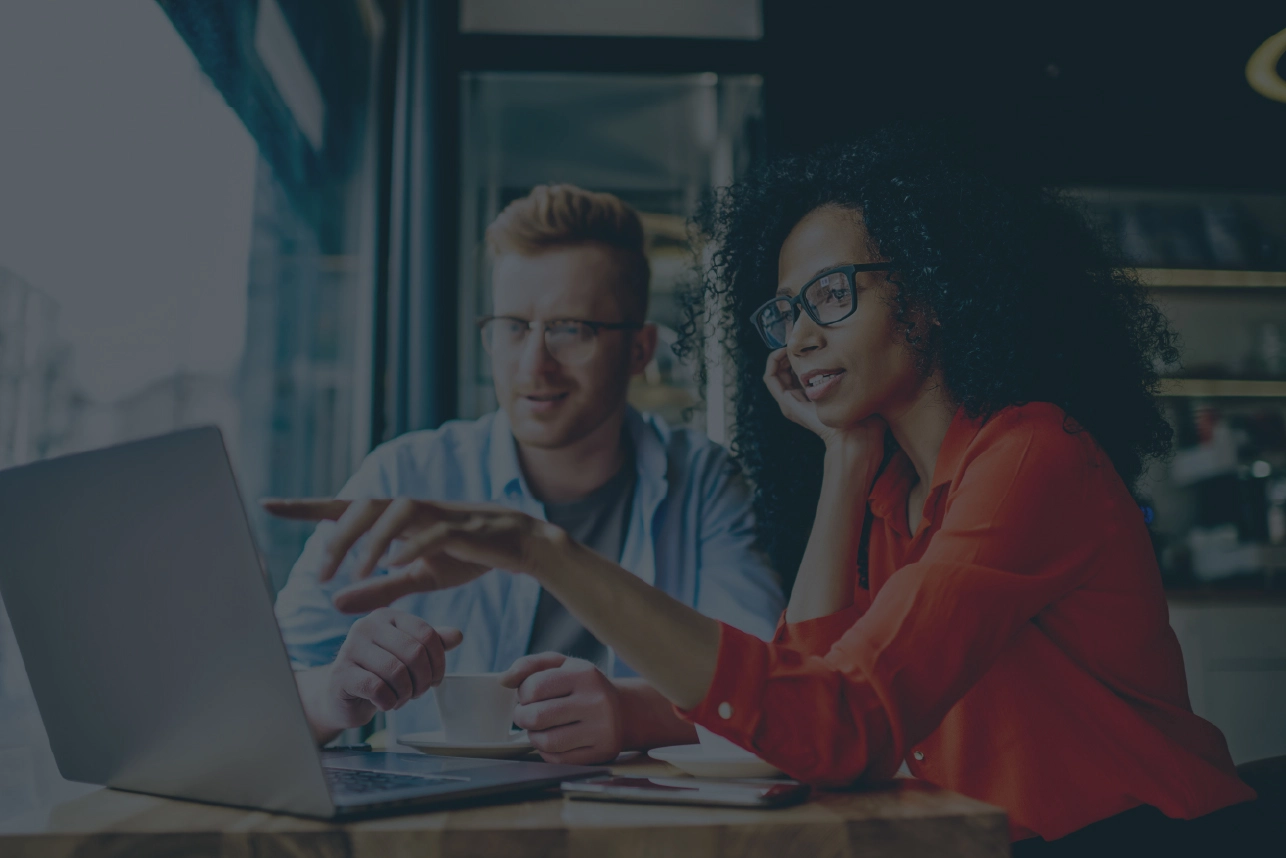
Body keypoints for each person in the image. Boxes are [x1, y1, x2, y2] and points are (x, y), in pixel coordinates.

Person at [267, 128, 1260, 852]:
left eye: (831, 296)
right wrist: (841, 462)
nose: (798, 337)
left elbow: (836, 724)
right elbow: (805, 703)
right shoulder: (888, 495)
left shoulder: (1029, 457)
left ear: (930, 295)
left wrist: (543, 553)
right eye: (784, 310)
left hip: (1136, 836)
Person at [272, 184, 784, 765]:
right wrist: (336, 695)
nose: (532, 364)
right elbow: (259, 689)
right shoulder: (405, 474)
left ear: (640, 350)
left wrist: (631, 714)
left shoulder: (703, 481)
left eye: (570, 329)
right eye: (513, 327)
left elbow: (770, 689)